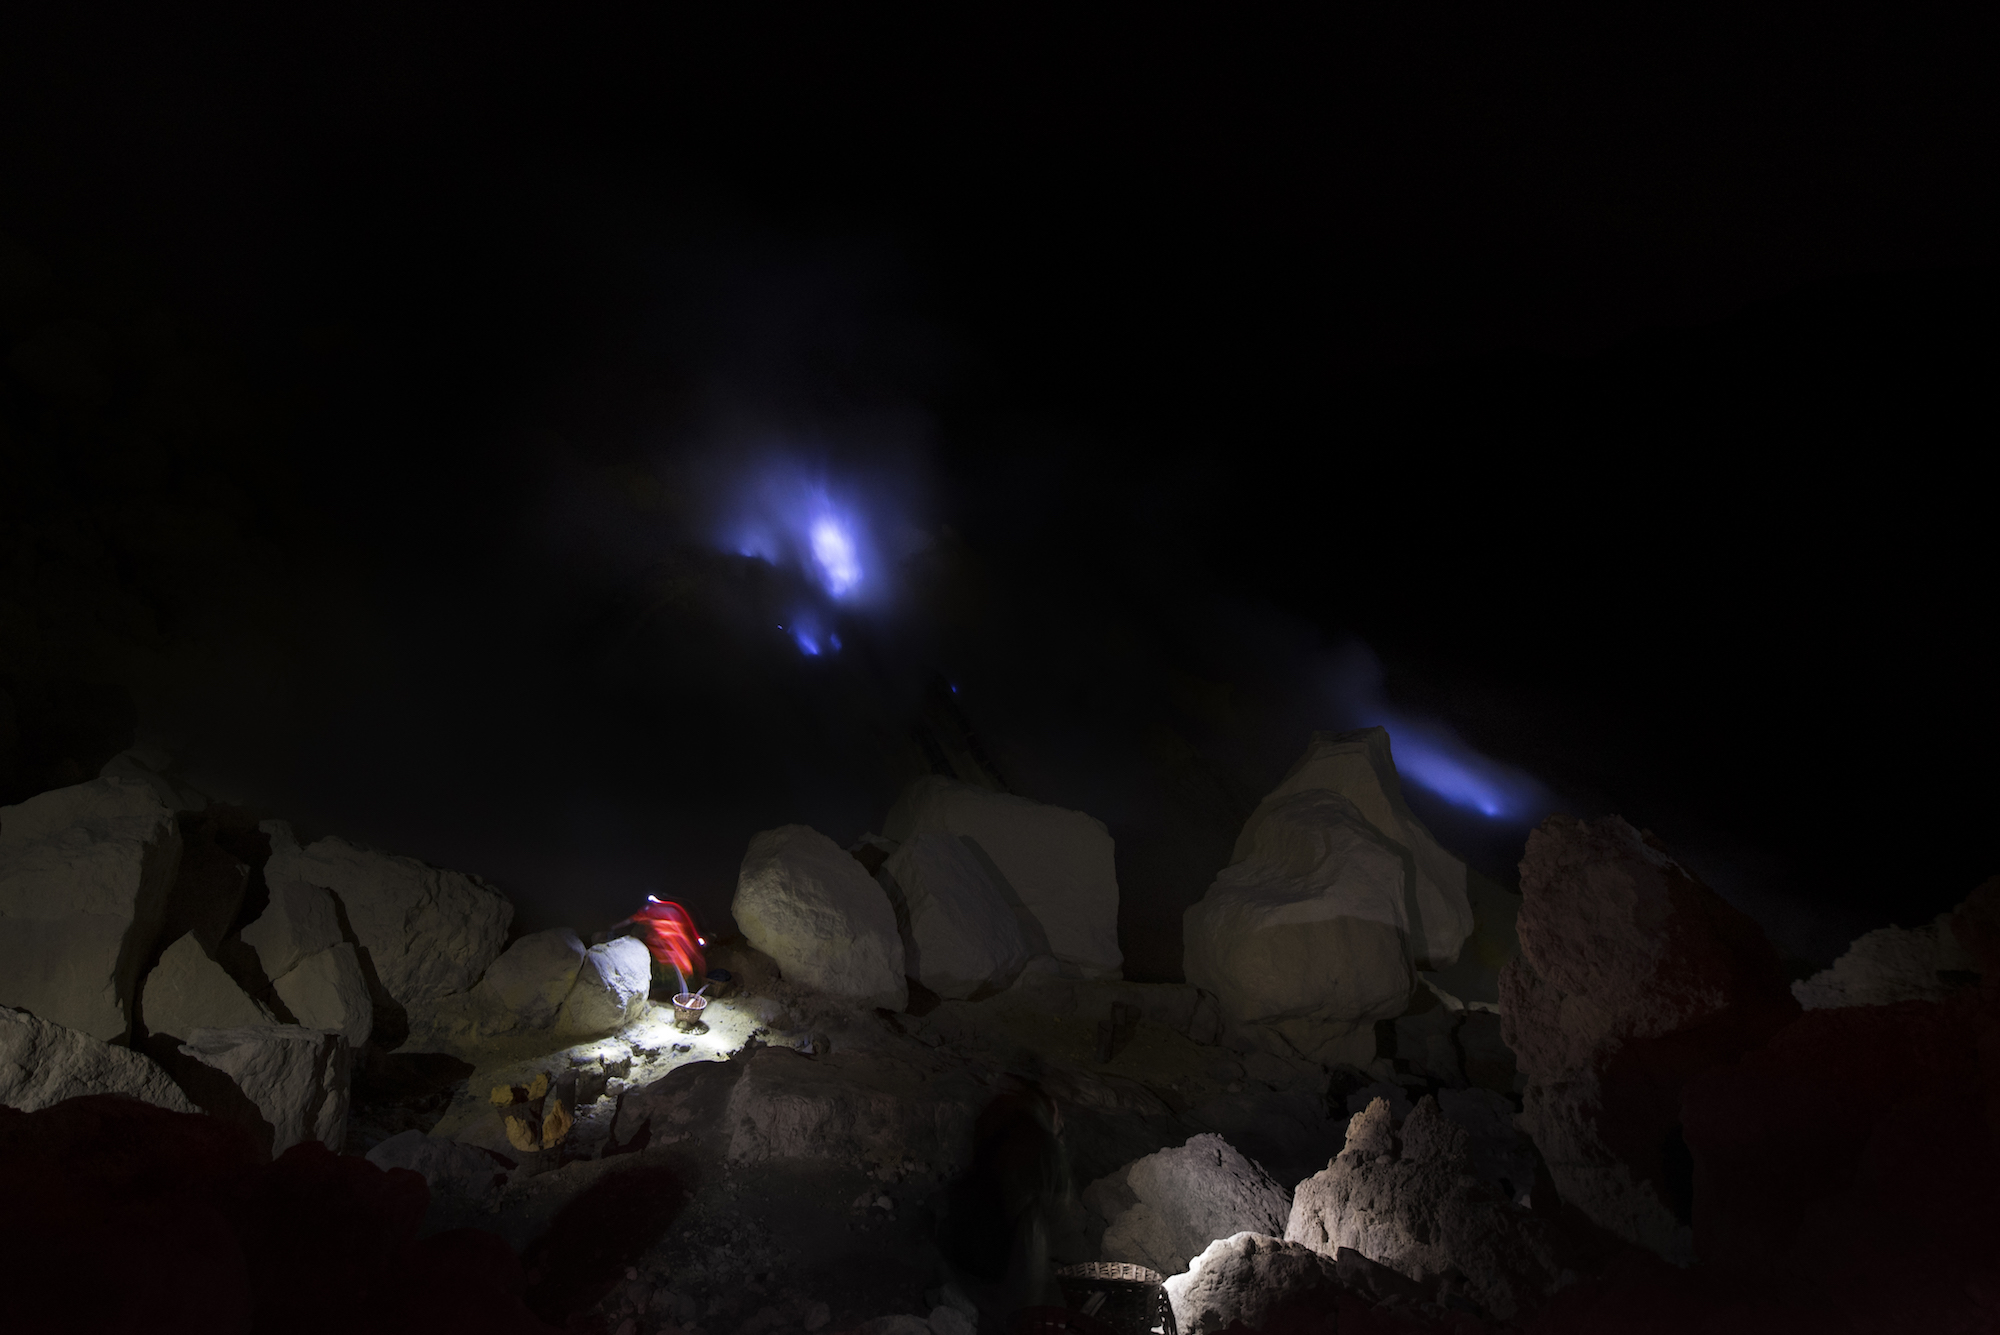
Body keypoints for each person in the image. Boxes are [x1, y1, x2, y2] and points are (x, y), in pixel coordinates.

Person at [938, 1072, 1074, 1333]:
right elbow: (1059, 1211)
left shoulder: (995, 1125)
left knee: (989, 1313)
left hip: (971, 1240)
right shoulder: (1043, 1144)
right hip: (1009, 1248)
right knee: (1016, 1312)